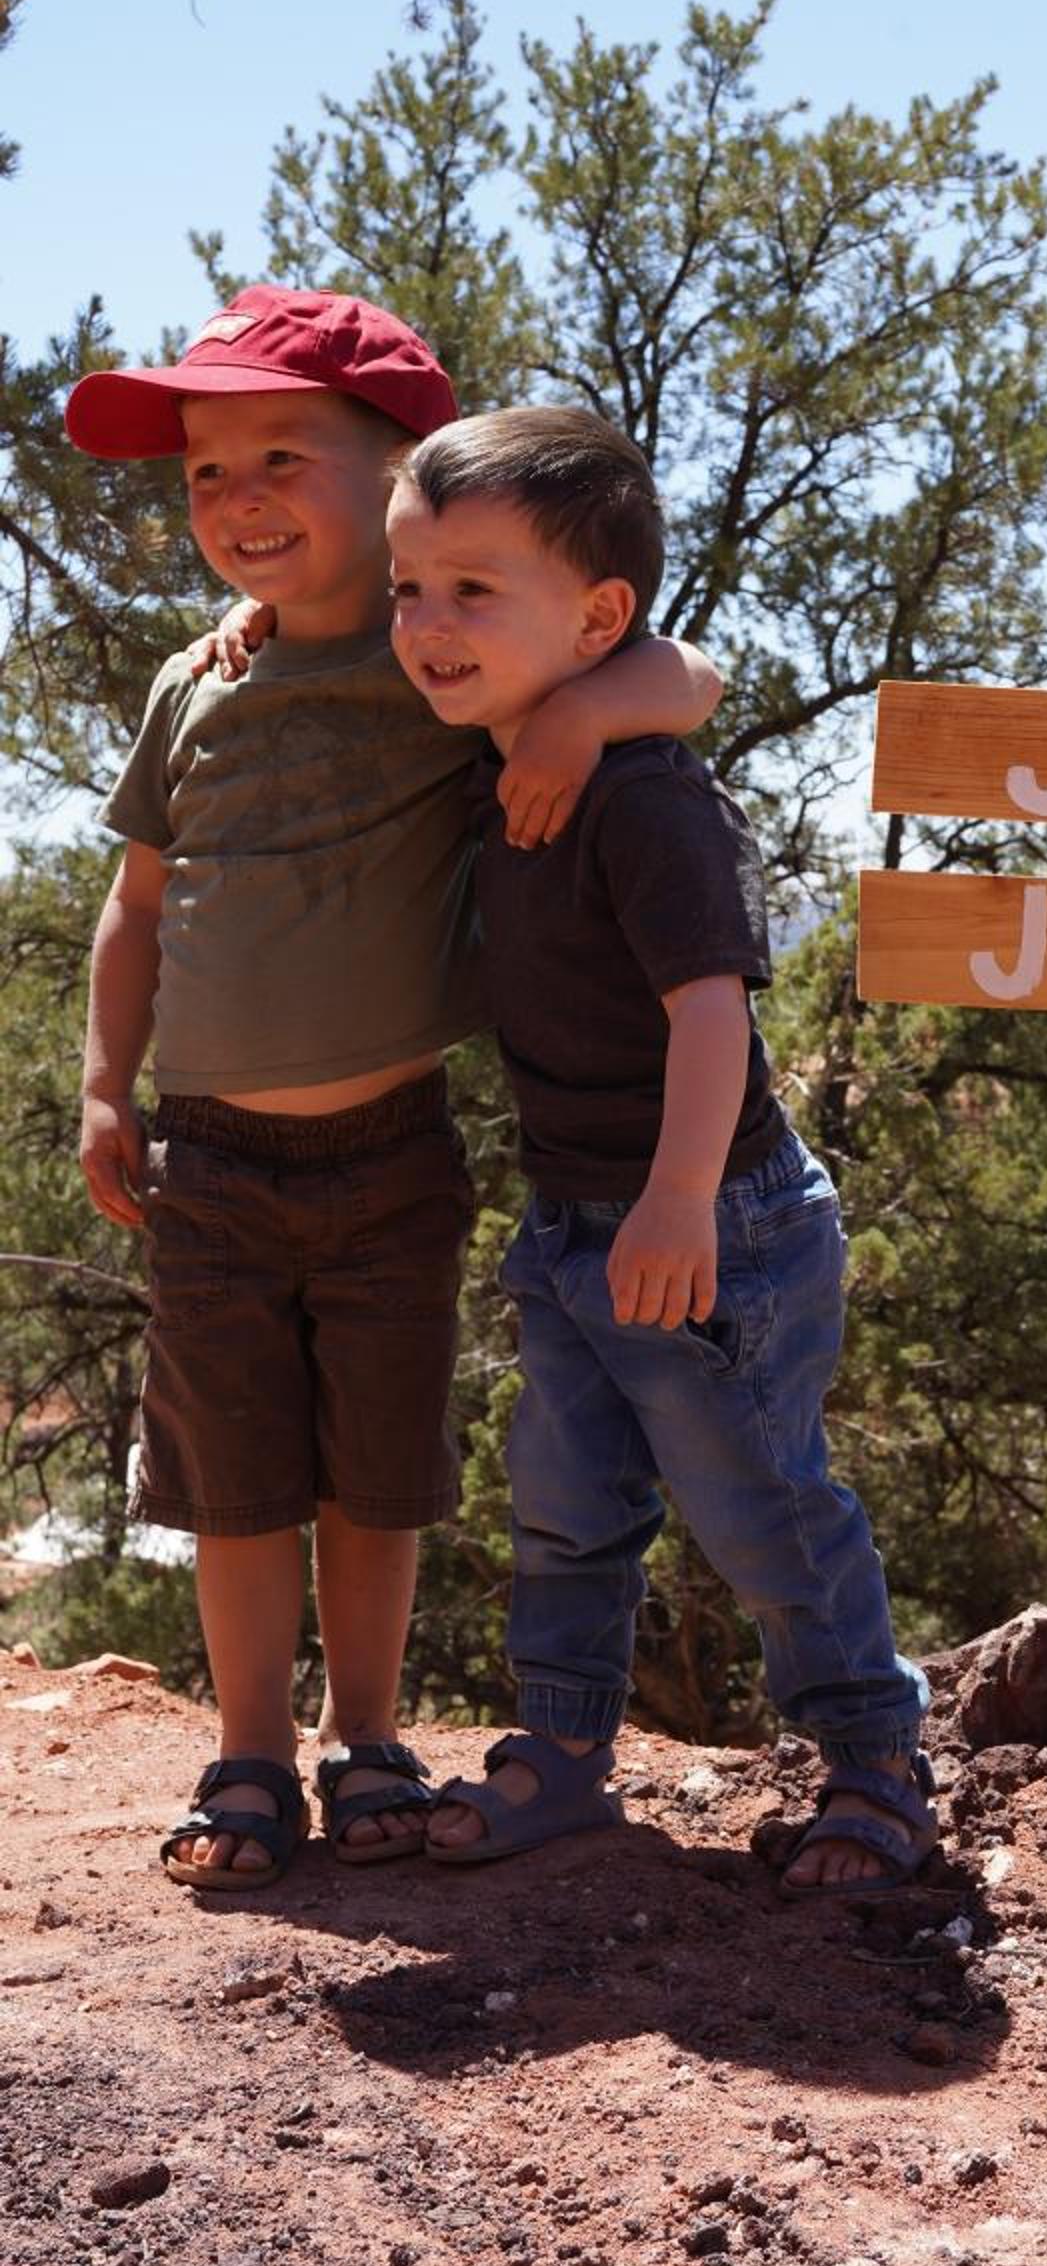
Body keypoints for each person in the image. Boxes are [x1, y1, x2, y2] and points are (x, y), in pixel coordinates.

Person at [67, 288, 719, 1891]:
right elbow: (137, 904)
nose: (237, 498)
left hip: (390, 1156)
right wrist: (102, 1084)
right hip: (207, 1160)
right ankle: (246, 1753)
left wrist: (582, 707)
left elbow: (687, 675)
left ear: (402, 476)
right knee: (235, 1479)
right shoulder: (194, 685)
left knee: (376, 1473)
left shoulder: (451, 668)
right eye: (206, 473)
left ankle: (364, 1736)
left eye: (282, 457)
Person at [383, 404, 936, 1895]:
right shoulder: (506, 753)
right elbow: (680, 667)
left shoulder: (642, 799)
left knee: (764, 1512)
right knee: (565, 1506)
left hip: (715, 1222)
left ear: (597, 617)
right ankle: (565, 1752)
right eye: (408, 589)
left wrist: (682, 1197)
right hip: (575, 1220)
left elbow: (711, 1012)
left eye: (471, 590)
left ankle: (877, 1763)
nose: (427, 624)